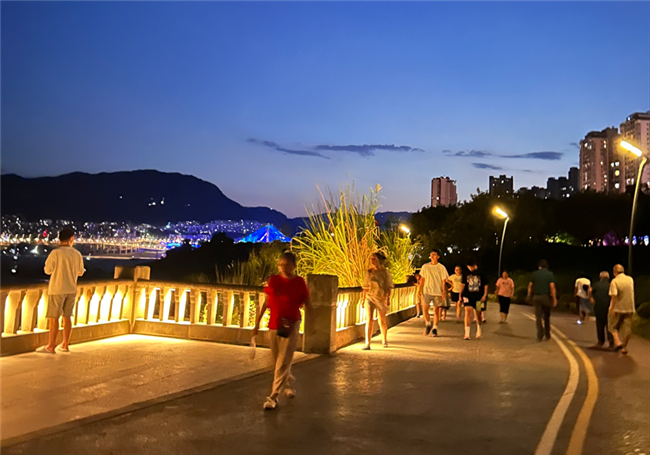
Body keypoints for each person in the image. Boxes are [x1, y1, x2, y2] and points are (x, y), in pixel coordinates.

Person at [253, 251, 311, 410]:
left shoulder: (299, 282)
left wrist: (311, 324)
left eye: (287, 264)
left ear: (294, 266)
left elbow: (306, 302)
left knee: (284, 360)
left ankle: (273, 397)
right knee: (276, 361)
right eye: (281, 264)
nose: (284, 267)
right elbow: (266, 302)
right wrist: (257, 323)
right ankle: (289, 382)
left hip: (292, 324)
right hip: (274, 324)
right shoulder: (274, 281)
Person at [37, 228, 85, 354]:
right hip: (71, 289)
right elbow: (80, 272)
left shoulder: (55, 253)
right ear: (71, 239)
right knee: (67, 317)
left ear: (59, 239)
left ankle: (51, 346)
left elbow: (47, 270)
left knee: (54, 318)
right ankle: (65, 344)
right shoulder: (77, 254)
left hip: (57, 288)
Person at [361, 252, 394, 349]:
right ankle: (368, 343)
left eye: (374, 259)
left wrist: (387, 298)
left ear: (379, 260)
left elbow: (388, 286)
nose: (372, 261)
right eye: (371, 259)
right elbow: (365, 287)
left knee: (382, 320)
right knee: (369, 319)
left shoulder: (385, 272)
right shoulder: (369, 272)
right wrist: (363, 299)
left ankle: (384, 339)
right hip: (370, 297)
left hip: (381, 297)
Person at [419, 249, 449, 337]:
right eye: (431, 254)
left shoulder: (441, 267)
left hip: (437, 291)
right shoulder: (425, 267)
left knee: (436, 310)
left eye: (434, 254)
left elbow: (443, 280)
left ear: (438, 257)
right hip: (427, 290)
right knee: (425, 309)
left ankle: (435, 328)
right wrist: (420, 290)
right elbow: (422, 279)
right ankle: (428, 324)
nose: (432, 256)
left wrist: (443, 291)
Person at [608, 264, 636, 355]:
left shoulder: (614, 281)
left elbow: (614, 296)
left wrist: (612, 308)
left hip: (618, 308)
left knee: (612, 327)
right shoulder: (630, 279)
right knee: (627, 327)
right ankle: (624, 347)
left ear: (614, 272)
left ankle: (618, 341)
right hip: (630, 307)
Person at [528, 259, 557, 342]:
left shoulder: (535, 274)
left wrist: (529, 294)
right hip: (546, 297)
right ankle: (547, 334)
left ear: (539, 266)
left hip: (537, 297)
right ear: (547, 266)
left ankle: (539, 334)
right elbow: (552, 287)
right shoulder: (550, 274)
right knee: (546, 316)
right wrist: (554, 299)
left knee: (538, 317)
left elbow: (530, 285)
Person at [460, 259, 487, 340]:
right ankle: (467, 333)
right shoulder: (465, 273)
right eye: (468, 267)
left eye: (471, 266)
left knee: (478, 314)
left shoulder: (481, 272)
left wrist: (485, 295)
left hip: (479, 296)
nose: (470, 269)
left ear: (475, 265)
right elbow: (462, 284)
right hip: (467, 295)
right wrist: (460, 294)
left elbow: (485, 284)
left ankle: (479, 329)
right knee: (468, 312)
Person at [590, 271, 613, 348]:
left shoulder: (596, 285)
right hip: (609, 306)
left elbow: (589, 291)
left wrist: (591, 298)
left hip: (598, 306)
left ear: (600, 277)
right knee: (609, 324)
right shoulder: (611, 285)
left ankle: (600, 341)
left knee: (600, 324)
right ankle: (611, 342)